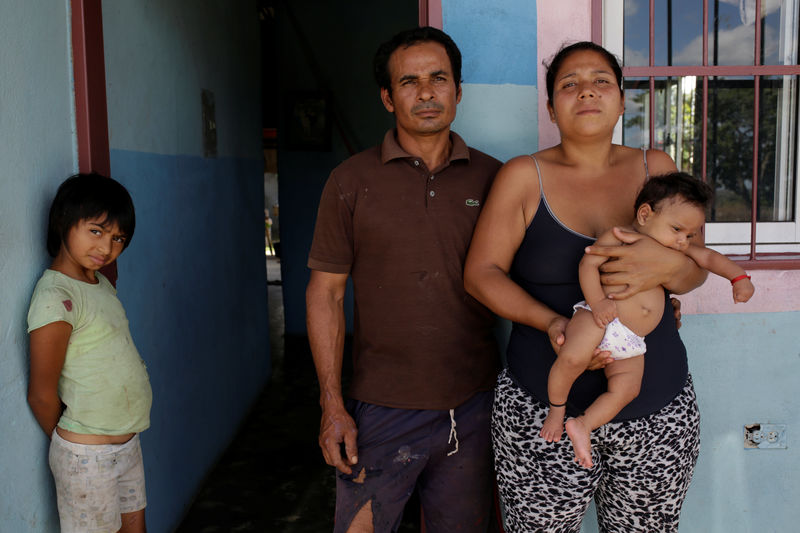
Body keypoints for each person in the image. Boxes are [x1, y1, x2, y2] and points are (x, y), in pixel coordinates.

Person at [464, 41, 708, 532]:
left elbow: (694, 270)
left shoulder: (654, 169)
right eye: (569, 84)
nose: (587, 92)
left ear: (621, 99)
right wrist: (553, 322)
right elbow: (481, 274)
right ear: (551, 107)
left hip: (655, 410)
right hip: (543, 410)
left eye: (601, 80)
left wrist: (657, 269)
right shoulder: (523, 176)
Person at [306, 26, 501, 533]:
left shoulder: (496, 178)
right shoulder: (350, 181)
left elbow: (534, 273)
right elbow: (325, 292)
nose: (426, 91)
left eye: (439, 78)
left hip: (473, 406)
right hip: (379, 409)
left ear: (458, 91)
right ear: (388, 98)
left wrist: (635, 299)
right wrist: (332, 405)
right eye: (409, 81)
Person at [541, 171, 755, 469]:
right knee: (572, 359)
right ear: (644, 214)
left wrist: (739, 277)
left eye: (690, 235)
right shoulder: (617, 236)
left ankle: (583, 425)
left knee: (627, 389)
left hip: (631, 339)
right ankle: (556, 410)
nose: (683, 241)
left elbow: (708, 258)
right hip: (600, 316)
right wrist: (598, 302)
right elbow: (588, 264)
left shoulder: (675, 248)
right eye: (677, 229)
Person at [27, 173, 152, 533]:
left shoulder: (101, 286)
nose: (107, 247)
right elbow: (41, 395)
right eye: (96, 231)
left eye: (118, 238)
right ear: (65, 222)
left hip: (127, 444)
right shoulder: (55, 297)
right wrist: (76, 446)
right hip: (87, 456)